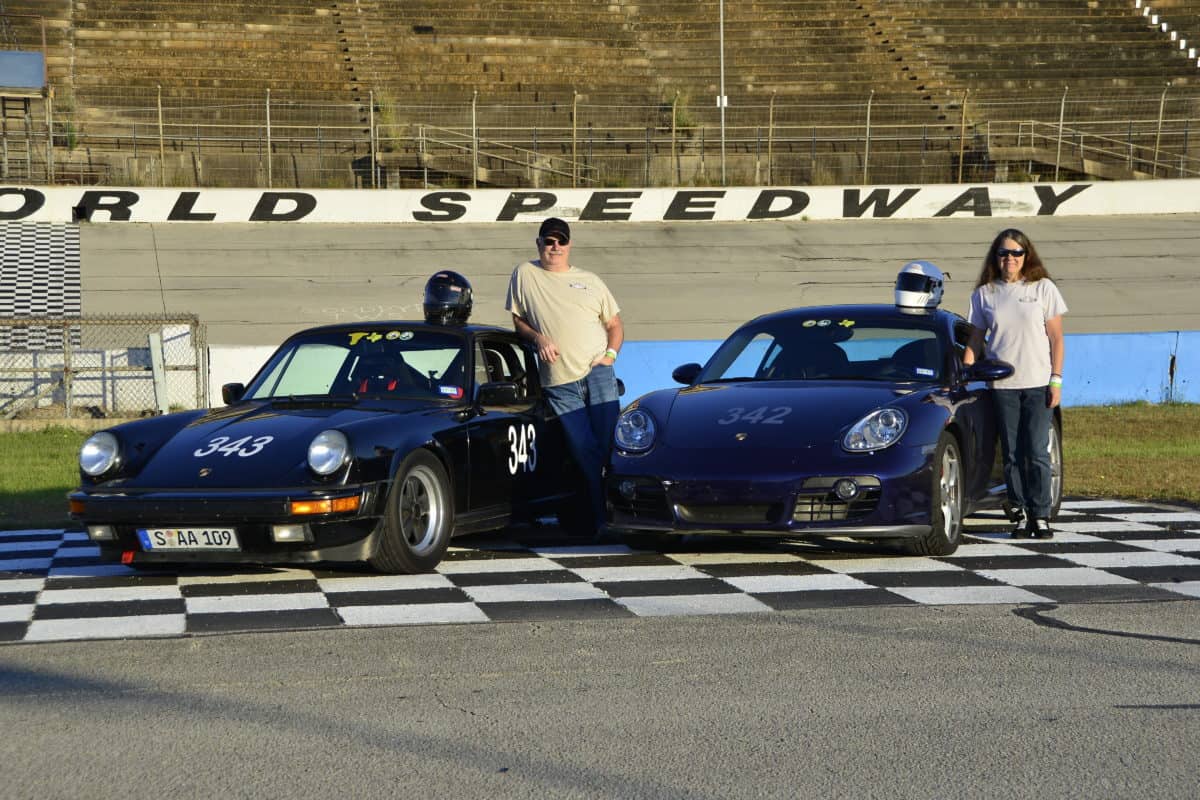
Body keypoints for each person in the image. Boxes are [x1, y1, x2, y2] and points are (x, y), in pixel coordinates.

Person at [505, 217, 623, 537]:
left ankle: (625, 517)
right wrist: (538, 339)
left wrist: (608, 357)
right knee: (585, 450)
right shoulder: (524, 275)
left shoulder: (591, 280)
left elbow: (614, 325)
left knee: (612, 447)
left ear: (569, 245)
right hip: (559, 382)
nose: (554, 247)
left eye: (560, 241)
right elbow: (518, 321)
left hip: (598, 373)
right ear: (539, 243)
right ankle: (602, 521)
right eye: (548, 241)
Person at [965, 228, 1067, 539]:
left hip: (1037, 383)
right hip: (1002, 387)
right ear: (996, 257)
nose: (1010, 258)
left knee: (1036, 450)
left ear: (1026, 256)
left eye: (1016, 253)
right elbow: (975, 341)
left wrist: (1056, 380)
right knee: (1010, 453)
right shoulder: (984, 294)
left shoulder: (1042, 288)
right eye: (1004, 253)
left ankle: (1041, 514)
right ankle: (1019, 512)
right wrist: (965, 373)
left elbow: (1056, 338)